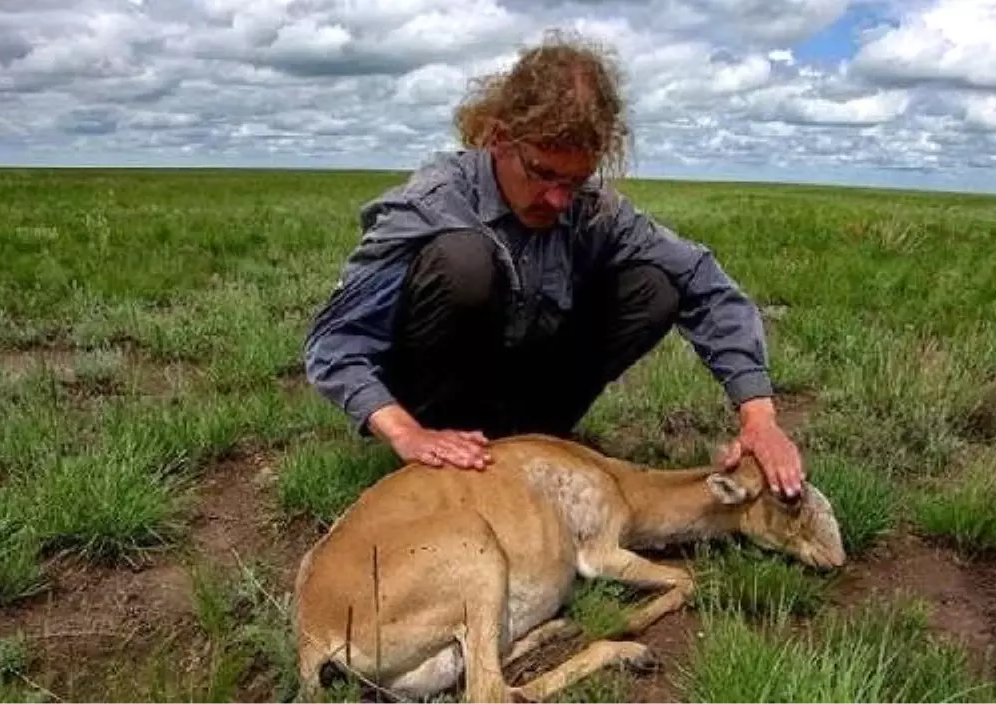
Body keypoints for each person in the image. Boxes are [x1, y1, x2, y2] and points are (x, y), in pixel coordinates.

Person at [303, 30, 806, 501]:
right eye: (543, 173)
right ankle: (441, 453)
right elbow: (336, 343)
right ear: (500, 138)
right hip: (434, 408)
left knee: (658, 285)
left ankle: (537, 436)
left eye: (577, 179)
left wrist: (758, 416)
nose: (559, 199)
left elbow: (703, 279)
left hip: (525, 395)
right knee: (464, 262)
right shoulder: (435, 203)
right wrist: (404, 430)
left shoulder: (590, 209)